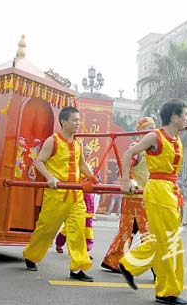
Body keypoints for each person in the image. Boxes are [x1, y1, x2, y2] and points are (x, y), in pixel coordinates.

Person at [118, 100, 187, 305]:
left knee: (167, 239)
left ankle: (130, 264)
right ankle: (166, 292)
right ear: (174, 117)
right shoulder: (154, 136)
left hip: (171, 191)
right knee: (168, 241)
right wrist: (125, 179)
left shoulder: (176, 138)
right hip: (158, 190)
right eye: (184, 114)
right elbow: (129, 152)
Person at [23, 106, 95, 282]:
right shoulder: (53, 141)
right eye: (74, 120)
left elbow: (83, 165)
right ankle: (31, 255)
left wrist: (93, 178)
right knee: (46, 229)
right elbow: (39, 162)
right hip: (56, 195)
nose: (78, 123)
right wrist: (50, 176)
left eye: (79, 120)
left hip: (76, 195)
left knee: (78, 231)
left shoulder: (79, 143)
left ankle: (77, 268)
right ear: (63, 121)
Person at [101, 116, 155, 274]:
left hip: (145, 196)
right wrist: (128, 181)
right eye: (149, 128)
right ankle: (157, 267)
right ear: (140, 132)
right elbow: (124, 169)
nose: (152, 131)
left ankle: (113, 260)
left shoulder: (152, 149)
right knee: (146, 232)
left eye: (153, 127)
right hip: (136, 197)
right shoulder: (137, 148)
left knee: (130, 230)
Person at [55, 145, 95, 257]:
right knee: (73, 223)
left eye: (89, 151)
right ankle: (60, 242)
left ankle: (85, 250)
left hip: (88, 197)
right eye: (85, 151)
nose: (87, 153)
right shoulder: (77, 165)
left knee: (88, 223)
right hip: (78, 194)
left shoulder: (89, 166)